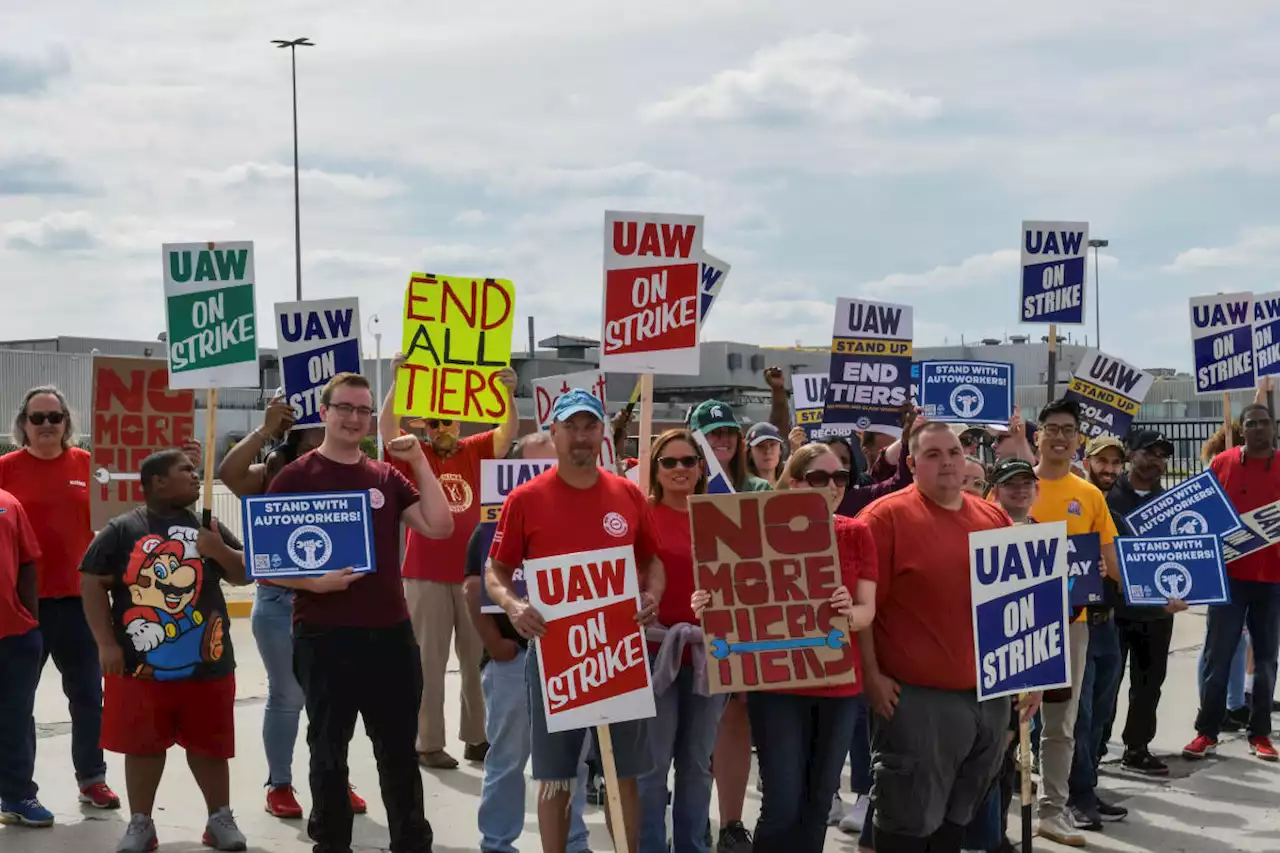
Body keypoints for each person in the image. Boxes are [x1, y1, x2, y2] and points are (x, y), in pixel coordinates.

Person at [266, 371, 454, 853]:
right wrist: (313, 582)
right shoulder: (297, 476)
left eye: (363, 410)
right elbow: (263, 564)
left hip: (390, 636)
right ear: (324, 413)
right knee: (328, 752)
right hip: (324, 637)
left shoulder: (385, 476)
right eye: (344, 408)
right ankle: (331, 843)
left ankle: (411, 843)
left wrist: (419, 461)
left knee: (397, 754)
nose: (353, 418)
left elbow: (438, 525)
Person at [486, 389, 664, 853]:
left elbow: (652, 560)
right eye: (571, 427)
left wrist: (651, 595)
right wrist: (513, 605)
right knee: (555, 775)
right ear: (554, 432)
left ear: (602, 432)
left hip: (618, 652)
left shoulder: (626, 493)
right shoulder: (526, 498)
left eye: (590, 426)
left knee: (623, 771)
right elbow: (495, 570)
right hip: (553, 654)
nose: (581, 437)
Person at [858, 421, 1039, 851]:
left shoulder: (992, 516)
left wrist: (1028, 674)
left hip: (988, 698)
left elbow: (1017, 605)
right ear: (911, 463)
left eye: (954, 453)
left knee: (957, 819)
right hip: (916, 700)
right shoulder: (885, 518)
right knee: (907, 819)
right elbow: (859, 613)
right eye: (933, 454)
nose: (947, 463)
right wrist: (871, 677)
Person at [694, 441, 876, 852]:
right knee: (782, 804)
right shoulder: (754, 534)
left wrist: (850, 613)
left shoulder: (857, 533)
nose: (833, 486)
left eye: (841, 477)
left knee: (815, 808)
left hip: (839, 687)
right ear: (793, 483)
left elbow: (868, 611)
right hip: (777, 685)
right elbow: (728, 600)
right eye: (819, 477)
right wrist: (706, 604)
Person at [79, 449, 249, 852]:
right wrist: (106, 643)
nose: (196, 476)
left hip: (210, 666)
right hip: (139, 669)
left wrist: (217, 549)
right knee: (143, 746)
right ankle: (141, 824)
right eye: (185, 470)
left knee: (210, 746)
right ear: (157, 481)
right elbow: (90, 582)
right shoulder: (122, 529)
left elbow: (244, 573)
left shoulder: (208, 525)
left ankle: (219, 819)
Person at [217, 396, 365, 819]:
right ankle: (279, 783)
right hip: (280, 600)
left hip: (337, 598)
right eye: (312, 440)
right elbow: (228, 473)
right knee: (288, 695)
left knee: (336, 697)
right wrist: (264, 429)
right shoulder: (272, 472)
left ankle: (334, 777)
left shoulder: (352, 473)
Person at [379, 356, 520, 768]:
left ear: (459, 423)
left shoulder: (475, 451)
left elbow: (508, 433)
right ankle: (428, 743)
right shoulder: (413, 453)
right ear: (424, 426)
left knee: (476, 661)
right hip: (424, 575)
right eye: (433, 423)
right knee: (429, 663)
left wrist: (509, 394)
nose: (441, 428)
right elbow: (388, 431)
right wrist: (398, 382)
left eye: (448, 421)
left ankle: (477, 738)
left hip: (472, 575)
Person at [464, 431, 594, 853]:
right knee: (507, 761)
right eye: (532, 467)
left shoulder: (580, 517)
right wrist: (495, 644)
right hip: (513, 660)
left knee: (569, 762)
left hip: (573, 660)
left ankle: (573, 841)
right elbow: (474, 586)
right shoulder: (492, 524)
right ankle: (498, 844)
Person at [0, 386, 121, 811]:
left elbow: (129, 506)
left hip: (79, 602)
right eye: (39, 418)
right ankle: (18, 792)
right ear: (24, 424)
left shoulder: (89, 466)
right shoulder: (4, 470)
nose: (48, 425)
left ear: (68, 422)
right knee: (16, 705)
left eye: (55, 417)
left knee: (88, 697)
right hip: (21, 607)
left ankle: (92, 778)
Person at [1024, 400, 1119, 847]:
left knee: (1061, 724)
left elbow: (1111, 562)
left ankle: (1052, 809)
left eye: (1068, 430)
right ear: (1037, 435)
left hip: (1072, 624)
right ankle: (996, 803)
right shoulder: (1014, 485)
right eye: (1051, 428)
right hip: (1015, 624)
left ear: (1078, 438)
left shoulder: (1091, 495)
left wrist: (1165, 590)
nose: (1059, 437)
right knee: (1009, 721)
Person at [639, 429, 726, 853]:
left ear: (700, 467)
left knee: (696, 764)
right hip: (652, 652)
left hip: (710, 654)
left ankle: (692, 846)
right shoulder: (640, 514)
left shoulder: (723, 516)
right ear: (654, 468)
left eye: (687, 461)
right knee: (652, 766)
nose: (679, 469)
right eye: (668, 462)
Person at [687, 398, 765, 852]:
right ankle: (692, 815)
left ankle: (731, 823)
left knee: (734, 718)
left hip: (741, 619)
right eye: (712, 434)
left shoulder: (756, 487)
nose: (722, 442)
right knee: (688, 729)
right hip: (683, 621)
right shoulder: (675, 483)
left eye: (729, 434)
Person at [1184, 402, 1280, 763]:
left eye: (1264, 423)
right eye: (1251, 423)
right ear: (1242, 429)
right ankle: (1206, 732)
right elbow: (1201, 515)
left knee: (1267, 659)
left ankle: (1260, 734)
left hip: (1272, 580)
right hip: (1228, 580)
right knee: (1217, 656)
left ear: (1273, 427)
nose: (1258, 429)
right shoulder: (1222, 464)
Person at [1100, 430, 1182, 776]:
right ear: (1131, 454)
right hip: (1115, 610)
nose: (1157, 461)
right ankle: (1095, 749)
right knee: (1105, 688)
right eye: (1150, 452)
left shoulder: (1173, 504)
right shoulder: (1104, 496)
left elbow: (1187, 555)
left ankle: (1137, 748)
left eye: (1163, 455)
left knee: (1149, 685)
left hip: (1159, 611)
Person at [1064, 436, 1132, 832]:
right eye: (1101, 461)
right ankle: (1077, 796)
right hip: (1075, 623)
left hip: (1107, 625)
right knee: (1080, 714)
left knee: (1099, 714)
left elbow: (1132, 571)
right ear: (1086, 460)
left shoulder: (1114, 514)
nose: (1108, 468)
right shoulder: (1073, 498)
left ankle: (1086, 787)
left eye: (1114, 463)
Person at [0, 486, 46, 828]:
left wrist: (30, 621)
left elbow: (28, 562)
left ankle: (17, 796)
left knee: (15, 719)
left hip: (14, 634)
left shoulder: (8, 502)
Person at [745, 422, 785, 487]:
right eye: (760, 446)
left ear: (780, 450)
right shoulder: (742, 487)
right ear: (750, 453)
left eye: (772, 444)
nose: (767, 451)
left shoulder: (793, 484)